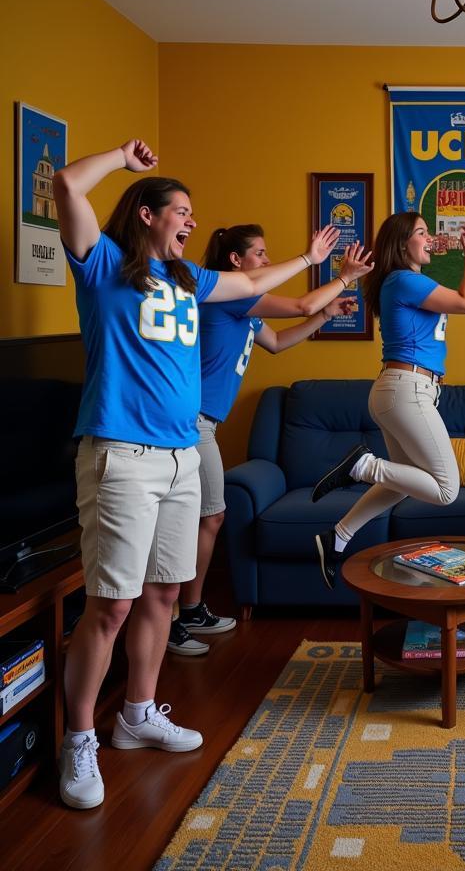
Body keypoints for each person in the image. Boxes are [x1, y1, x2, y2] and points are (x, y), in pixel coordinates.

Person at [52, 139, 340, 810]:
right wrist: (123, 157)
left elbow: (249, 286)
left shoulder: (191, 282)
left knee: (161, 595)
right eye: (178, 210)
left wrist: (310, 261)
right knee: (111, 606)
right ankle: (78, 739)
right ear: (146, 215)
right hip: (122, 456)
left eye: (190, 211)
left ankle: (139, 713)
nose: (189, 220)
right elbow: (67, 185)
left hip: (183, 457)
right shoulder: (103, 269)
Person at [167, 225, 374, 656]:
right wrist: (343, 276)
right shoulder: (233, 295)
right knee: (206, 516)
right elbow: (300, 301)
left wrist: (324, 316)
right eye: (259, 254)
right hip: (192, 423)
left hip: (203, 424)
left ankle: (188, 609)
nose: (265, 261)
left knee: (205, 517)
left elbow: (277, 342)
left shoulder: (242, 306)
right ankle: (177, 615)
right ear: (236, 263)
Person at [310, 213, 465, 587]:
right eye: (421, 232)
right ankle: (362, 466)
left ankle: (338, 535)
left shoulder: (411, 282)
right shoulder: (401, 280)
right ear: (402, 242)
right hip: (406, 390)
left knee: (401, 482)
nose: (429, 238)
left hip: (404, 391)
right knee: (446, 489)